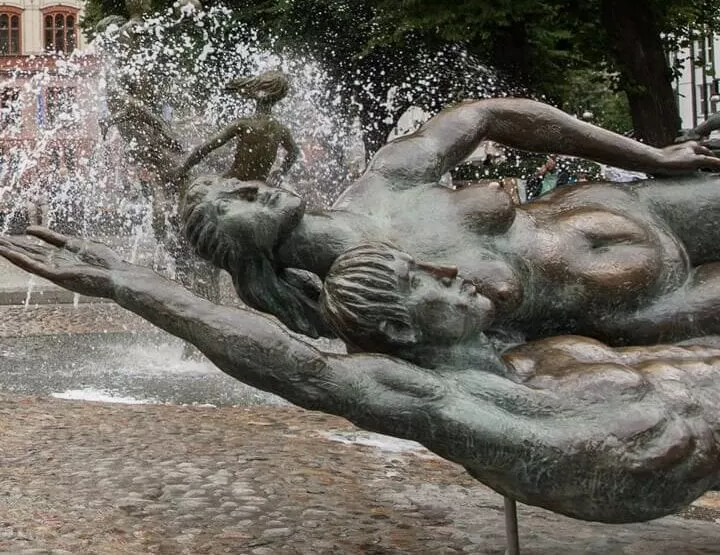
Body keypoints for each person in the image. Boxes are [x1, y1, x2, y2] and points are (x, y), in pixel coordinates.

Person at [0, 225, 718, 525]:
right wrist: (130, 283)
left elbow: (306, 318)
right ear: (403, 329)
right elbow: (297, 364)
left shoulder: (507, 347)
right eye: (422, 278)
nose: (447, 270)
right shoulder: (444, 395)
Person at [179, 97, 720, 342]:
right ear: (238, 254)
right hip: (649, 309)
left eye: (236, 185)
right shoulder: (367, 306)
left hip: (640, 209)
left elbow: (485, 114)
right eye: (227, 207)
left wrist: (649, 157)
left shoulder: (383, 183)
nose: (251, 185)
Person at [174, 70, 300, 185]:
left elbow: (205, 147)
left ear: (257, 93)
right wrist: (281, 171)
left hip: (234, 181)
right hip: (260, 183)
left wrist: (182, 170)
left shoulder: (243, 124)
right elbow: (294, 151)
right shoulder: (280, 129)